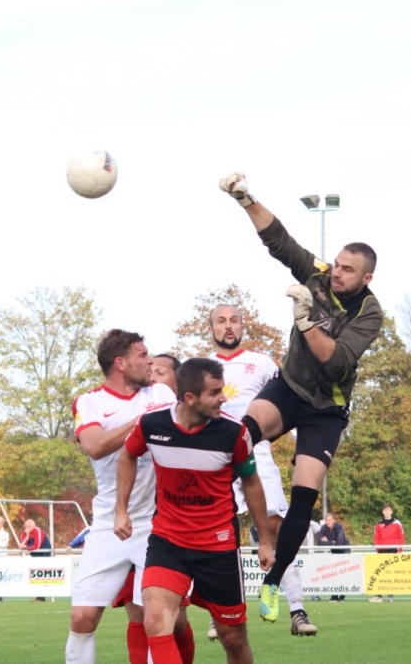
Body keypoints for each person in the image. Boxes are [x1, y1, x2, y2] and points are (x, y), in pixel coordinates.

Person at [219, 172, 383, 623]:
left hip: (326, 412)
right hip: (288, 390)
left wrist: (306, 321)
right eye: (337, 265)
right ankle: (214, 525)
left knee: (303, 497)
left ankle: (273, 584)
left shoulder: (370, 313)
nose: (337, 273)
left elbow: (336, 363)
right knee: (238, 439)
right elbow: (279, 240)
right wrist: (245, 199)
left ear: (367, 277)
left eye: (348, 270)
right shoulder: (319, 274)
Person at [114, 357, 275, 664]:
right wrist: (121, 510)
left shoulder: (234, 432)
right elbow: (127, 455)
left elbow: (252, 483)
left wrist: (265, 540)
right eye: (214, 392)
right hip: (168, 541)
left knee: (232, 638)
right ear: (190, 398)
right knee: (155, 620)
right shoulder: (152, 424)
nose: (223, 398)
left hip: (218, 547)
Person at [66, 329, 185, 664]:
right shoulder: (90, 402)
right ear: (121, 363)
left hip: (160, 524)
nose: (150, 361)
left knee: (161, 621)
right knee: (82, 618)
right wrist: (144, 421)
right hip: (109, 523)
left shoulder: (161, 392)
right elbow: (94, 446)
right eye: (143, 355)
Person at [208, 303, 318, 637]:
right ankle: (219, 613)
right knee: (216, 536)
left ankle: (297, 610)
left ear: (243, 327)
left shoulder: (262, 363)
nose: (228, 326)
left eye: (234, 320)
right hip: (214, 458)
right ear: (211, 328)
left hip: (256, 454)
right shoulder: (200, 367)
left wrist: (302, 446)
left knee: (277, 527)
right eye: (221, 321)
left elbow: (293, 401)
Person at [371, 506, 402, 603]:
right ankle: (378, 595)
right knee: (379, 573)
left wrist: (399, 550)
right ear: (382, 512)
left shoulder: (397, 523)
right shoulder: (379, 523)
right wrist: (377, 549)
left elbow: (401, 537)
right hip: (381, 551)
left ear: (391, 512)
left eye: (388, 510)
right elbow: (376, 537)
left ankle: (390, 595)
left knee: (390, 573)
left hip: (392, 550)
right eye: (385, 510)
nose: (387, 512)